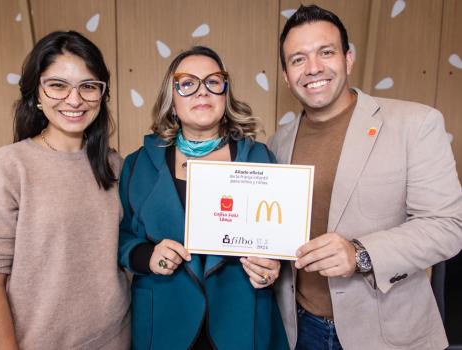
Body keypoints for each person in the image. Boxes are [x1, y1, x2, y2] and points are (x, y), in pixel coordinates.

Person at [269, 4, 462, 350]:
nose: (313, 68)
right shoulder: (277, 142)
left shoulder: (415, 124)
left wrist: (361, 254)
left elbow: (449, 225)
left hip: (388, 331)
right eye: (298, 59)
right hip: (299, 330)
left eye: (325, 52)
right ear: (286, 75)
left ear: (348, 58)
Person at [0, 31, 130, 349]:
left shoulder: (115, 166)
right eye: (57, 85)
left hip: (116, 337)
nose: (75, 99)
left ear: (101, 94)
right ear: (37, 93)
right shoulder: (8, 168)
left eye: (88, 86)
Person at [118, 46, 289, 349]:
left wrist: (273, 265)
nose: (202, 92)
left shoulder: (259, 157)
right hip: (164, 322)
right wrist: (146, 256)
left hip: (240, 321)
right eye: (187, 83)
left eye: (213, 82)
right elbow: (121, 237)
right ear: (171, 101)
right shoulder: (138, 164)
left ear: (225, 94)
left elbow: (281, 238)